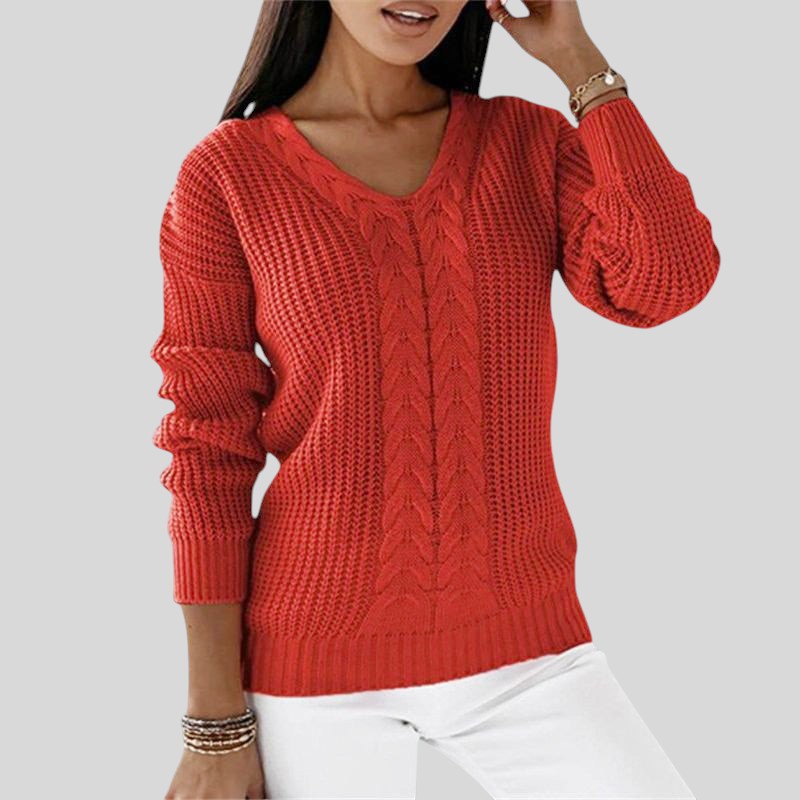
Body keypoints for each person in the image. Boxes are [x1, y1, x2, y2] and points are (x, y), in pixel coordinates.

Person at [151, 1, 720, 798]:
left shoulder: (525, 144)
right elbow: (208, 451)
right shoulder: (227, 175)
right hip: (313, 667)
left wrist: (579, 63)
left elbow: (666, 280)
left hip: (528, 653)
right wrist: (216, 726)